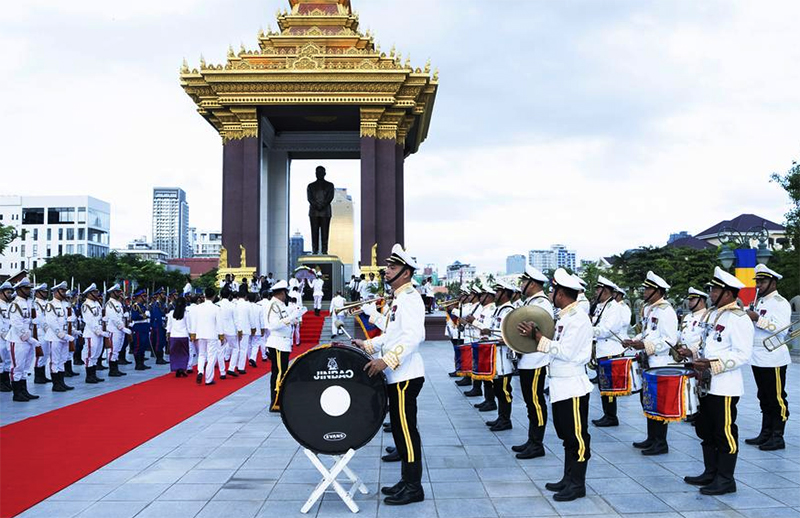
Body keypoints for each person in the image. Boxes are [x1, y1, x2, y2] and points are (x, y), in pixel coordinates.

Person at [353, 244, 426, 506]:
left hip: (406, 375)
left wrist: (387, 360)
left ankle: (414, 486)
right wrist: (369, 345)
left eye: (393, 268)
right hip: (398, 376)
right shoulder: (399, 298)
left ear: (406, 273)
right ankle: (406, 480)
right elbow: (393, 334)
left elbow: (414, 337)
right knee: (398, 428)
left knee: (406, 432)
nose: (387, 271)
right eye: (388, 266)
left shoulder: (411, 298)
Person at [520, 268, 592, 502]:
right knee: (565, 435)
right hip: (560, 386)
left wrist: (539, 339)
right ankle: (568, 478)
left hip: (573, 385)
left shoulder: (578, 318)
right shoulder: (565, 317)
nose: (551, 294)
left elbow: (567, 352)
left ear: (561, 293)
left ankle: (577, 484)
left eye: (554, 291)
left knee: (577, 437)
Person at [683, 267, 753, 495]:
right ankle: (710, 472)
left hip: (725, 386)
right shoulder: (711, 315)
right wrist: (690, 351)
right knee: (706, 429)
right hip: (705, 383)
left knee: (725, 432)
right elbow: (706, 343)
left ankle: (726, 479)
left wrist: (712, 364)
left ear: (729, 293)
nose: (711, 293)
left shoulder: (739, 318)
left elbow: (742, 355)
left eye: (716, 290)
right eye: (712, 289)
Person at [623, 271, 678, 455]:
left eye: (648, 289)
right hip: (647, 361)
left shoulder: (666, 311)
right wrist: (634, 340)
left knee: (659, 402)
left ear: (658, 291)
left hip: (660, 363)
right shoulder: (650, 309)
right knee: (647, 400)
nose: (644, 292)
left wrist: (645, 345)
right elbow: (647, 332)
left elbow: (670, 340)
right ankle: (651, 437)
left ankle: (661, 442)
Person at [745, 263, 792, 451]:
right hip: (758, 357)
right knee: (763, 396)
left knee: (777, 398)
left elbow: (782, 330)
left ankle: (777, 436)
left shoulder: (780, 302)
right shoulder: (760, 301)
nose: (759, 285)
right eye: (757, 281)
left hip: (774, 357)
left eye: (762, 281)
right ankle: (766, 433)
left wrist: (757, 318)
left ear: (773, 282)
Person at [514, 265, 554, 459]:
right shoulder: (531, 302)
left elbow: (542, 332)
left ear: (532, 284)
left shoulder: (542, 304)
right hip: (527, 359)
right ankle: (532, 440)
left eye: (524, 281)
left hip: (536, 360)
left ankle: (537, 444)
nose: (521, 285)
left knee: (536, 403)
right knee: (530, 403)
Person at [480, 280, 517, 432]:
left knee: (504, 390)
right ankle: (501, 417)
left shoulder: (509, 311)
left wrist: (503, 339)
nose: (495, 294)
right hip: (496, 355)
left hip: (503, 358)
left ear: (504, 294)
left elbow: (511, 334)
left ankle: (506, 419)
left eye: (497, 292)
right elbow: (497, 330)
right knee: (498, 389)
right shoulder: (500, 310)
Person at [590, 275, 625, 427]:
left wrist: (588, 330)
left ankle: (611, 416)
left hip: (610, 351)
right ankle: (607, 414)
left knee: (608, 386)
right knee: (604, 386)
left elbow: (607, 330)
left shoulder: (614, 307)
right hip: (602, 350)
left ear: (606, 290)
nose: (596, 291)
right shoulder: (602, 306)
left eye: (598, 288)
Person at [265, 280, 303, 411]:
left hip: (284, 343)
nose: (286, 295)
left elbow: (285, 320)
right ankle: (276, 402)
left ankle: (280, 399)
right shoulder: (273, 305)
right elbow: (273, 325)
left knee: (282, 372)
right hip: (278, 342)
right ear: (281, 293)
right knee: (279, 373)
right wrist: (291, 317)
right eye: (285, 293)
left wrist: (295, 317)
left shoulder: (280, 305)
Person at [7, 278, 40, 401]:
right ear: (19, 290)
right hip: (18, 340)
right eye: (26, 288)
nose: (29, 291)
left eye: (29, 288)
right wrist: (29, 338)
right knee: (17, 366)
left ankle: (24, 390)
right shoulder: (15, 305)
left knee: (26, 367)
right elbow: (17, 325)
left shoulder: (28, 303)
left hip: (28, 340)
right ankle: (17, 393)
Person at [44, 281, 77, 392]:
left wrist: (72, 331)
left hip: (65, 336)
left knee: (62, 360)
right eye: (62, 291)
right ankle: (56, 384)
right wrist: (61, 334)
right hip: (55, 337)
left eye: (64, 290)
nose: (64, 292)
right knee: (55, 360)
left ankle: (61, 382)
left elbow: (67, 322)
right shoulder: (50, 305)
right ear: (55, 292)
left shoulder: (65, 304)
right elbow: (52, 322)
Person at [190, 287, 225, 385]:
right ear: (214, 296)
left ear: (204, 295)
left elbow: (194, 321)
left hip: (200, 334)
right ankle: (208, 379)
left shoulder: (198, 307)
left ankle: (200, 371)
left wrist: (193, 334)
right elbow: (219, 324)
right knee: (211, 357)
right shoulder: (216, 308)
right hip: (212, 334)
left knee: (201, 355)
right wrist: (221, 336)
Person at [80, 284, 108, 383]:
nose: (97, 294)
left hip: (99, 332)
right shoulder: (86, 305)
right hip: (91, 333)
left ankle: (94, 375)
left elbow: (99, 318)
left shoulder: (97, 304)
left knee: (96, 354)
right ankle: (89, 376)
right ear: (89, 294)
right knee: (89, 354)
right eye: (95, 292)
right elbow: (89, 320)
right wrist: (98, 331)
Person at [307, 165, 335, 255]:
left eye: (321, 172)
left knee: (325, 232)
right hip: (314, 212)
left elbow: (330, 197)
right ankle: (314, 250)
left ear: (324, 173)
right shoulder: (310, 186)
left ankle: (324, 250)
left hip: (325, 212)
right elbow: (309, 198)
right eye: (317, 172)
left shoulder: (330, 185)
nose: (319, 174)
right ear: (315, 174)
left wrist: (322, 205)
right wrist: (317, 206)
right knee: (314, 232)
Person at [105, 284, 130, 377]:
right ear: (112, 293)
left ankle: (116, 368)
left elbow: (120, 316)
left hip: (120, 330)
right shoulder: (109, 304)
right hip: (113, 330)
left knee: (117, 349)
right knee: (113, 350)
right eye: (117, 292)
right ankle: (112, 370)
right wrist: (122, 327)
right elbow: (113, 318)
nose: (120, 294)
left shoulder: (119, 303)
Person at [167, 296, 191, 377]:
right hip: (184, 335)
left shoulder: (171, 313)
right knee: (184, 353)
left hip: (174, 336)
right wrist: (191, 335)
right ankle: (182, 368)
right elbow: (188, 326)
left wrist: (168, 334)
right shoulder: (186, 314)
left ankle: (176, 368)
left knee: (175, 353)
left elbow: (169, 325)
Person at [217, 288, 238, 377]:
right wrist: (239, 330)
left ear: (220, 295)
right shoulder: (232, 305)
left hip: (220, 331)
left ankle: (222, 372)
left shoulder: (217, 305)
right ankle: (231, 368)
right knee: (235, 348)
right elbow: (236, 319)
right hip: (231, 330)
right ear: (229, 296)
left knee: (220, 351)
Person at [0, 281, 17, 393]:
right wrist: (3, 333)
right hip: (1, 337)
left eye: (11, 292)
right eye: (8, 292)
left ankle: (6, 382)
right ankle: (1, 383)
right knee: (0, 360)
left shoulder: (9, 305)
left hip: (9, 336)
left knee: (7, 360)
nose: (10, 294)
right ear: (1, 293)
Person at [130, 290, 152, 371]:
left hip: (144, 327)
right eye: (144, 296)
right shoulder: (135, 306)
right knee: (138, 345)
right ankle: (138, 364)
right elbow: (134, 317)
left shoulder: (143, 306)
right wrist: (145, 316)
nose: (145, 298)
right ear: (139, 297)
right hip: (139, 327)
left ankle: (142, 363)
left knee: (143, 346)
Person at [150, 289, 168, 365]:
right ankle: (159, 358)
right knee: (159, 341)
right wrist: (162, 324)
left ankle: (161, 357)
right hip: (158, 325)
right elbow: (157, 316)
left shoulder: (162, 303)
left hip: (162, 325)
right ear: (159, 295)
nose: (164, 295)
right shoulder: (156, 304)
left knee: (162, 341)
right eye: (162, 294)